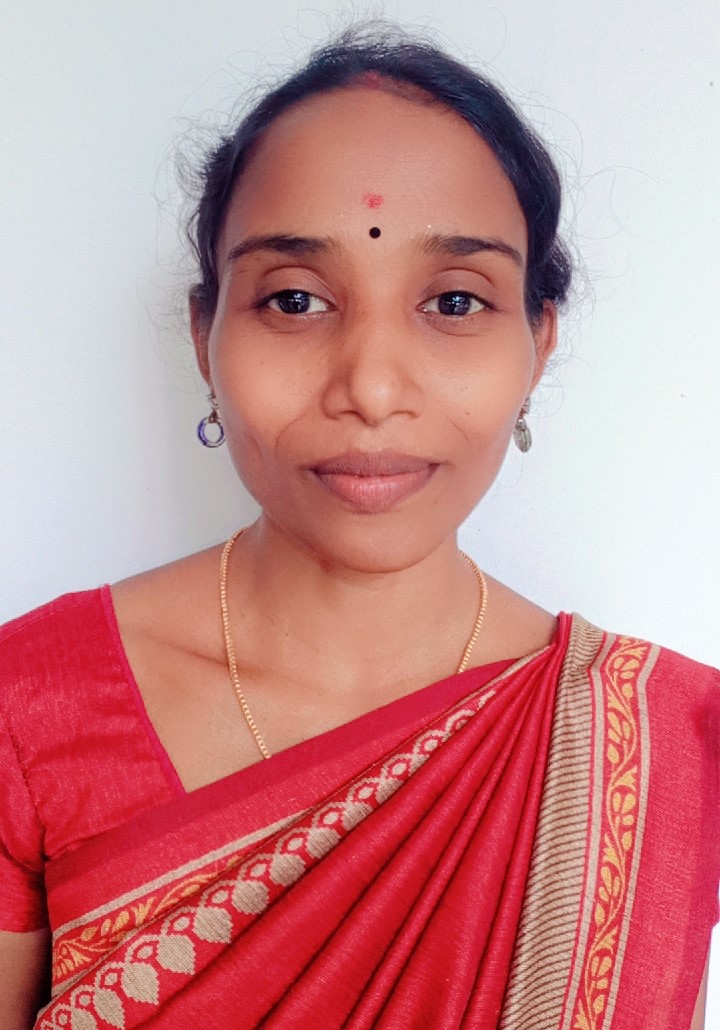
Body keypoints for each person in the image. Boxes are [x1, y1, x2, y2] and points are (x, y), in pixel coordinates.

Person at [0, 24, 717, 1030]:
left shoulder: (665, 745)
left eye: (455, 301)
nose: (372, 389)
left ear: (538, 341)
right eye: (295, 300)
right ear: (206, 334)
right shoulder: (27, 708)